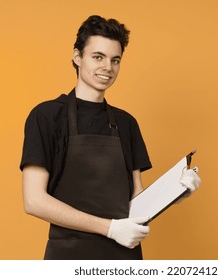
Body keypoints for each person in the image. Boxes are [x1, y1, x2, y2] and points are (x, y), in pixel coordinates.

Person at [20, 15, 201, 260]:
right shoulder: (47, 116)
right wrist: (111, 228)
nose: (108, 67)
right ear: (77, 57)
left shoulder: (126, 123)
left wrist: (176, 192)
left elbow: (137, 200)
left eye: (115, 60)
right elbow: (34, 201)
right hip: (68, 258)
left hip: (124, 257)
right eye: (98, 57)